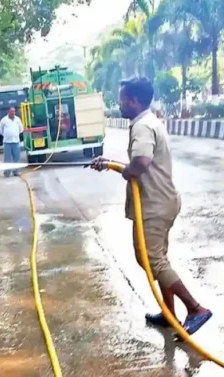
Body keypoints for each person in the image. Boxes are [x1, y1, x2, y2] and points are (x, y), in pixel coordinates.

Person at [91, 77, 213, 335]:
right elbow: (142, 162)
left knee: (151, 259)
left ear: (134, 101)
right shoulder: (150, 121)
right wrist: (111, 163)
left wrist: (125, 171)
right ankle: (169, 314)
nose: (120, 104)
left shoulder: (142, 127)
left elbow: (141, 163)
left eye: (122, 100)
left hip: (155, 205)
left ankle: (195, 308)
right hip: (163, 200)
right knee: (159, 259)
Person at [0, 107, 24, 177]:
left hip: (16, 142)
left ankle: (16, 172)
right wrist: (6, 134)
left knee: (16, 157)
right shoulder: (4, 120)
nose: (12, 113)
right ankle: (7, 172)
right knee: (7, 158)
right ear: (8, 112)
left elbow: (21, 129)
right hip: (7, 142)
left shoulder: (18, 119)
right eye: (11, 112)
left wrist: (16, 134)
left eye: (14, 112)